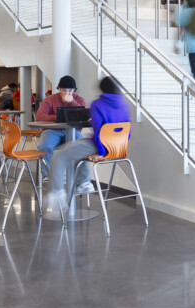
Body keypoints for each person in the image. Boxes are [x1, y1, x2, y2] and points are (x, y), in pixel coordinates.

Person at [42, 77, 132, 221]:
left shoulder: (98, 104)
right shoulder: (124, 104)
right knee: (76, 149)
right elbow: (127, 130)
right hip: (118, 148)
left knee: (60, 153)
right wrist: (117, 148)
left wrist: (100, 152)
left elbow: (97, 130)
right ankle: (84, 182)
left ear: (102, 89)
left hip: (100, 146)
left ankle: (57, 192)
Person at [34, 76, 87, 160]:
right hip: (52, 131)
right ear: (59, 88)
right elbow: (39, 116)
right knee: (44, 147)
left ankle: (74, 172)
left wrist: (72, 101)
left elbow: (83, 116)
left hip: (73, 131)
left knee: (80, 148)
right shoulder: (50, 99)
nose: (67, 93)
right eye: (64, 90)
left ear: (75, 90)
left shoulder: (79, 100)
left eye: (70, 90)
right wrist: (57, 118)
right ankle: (48, 173)